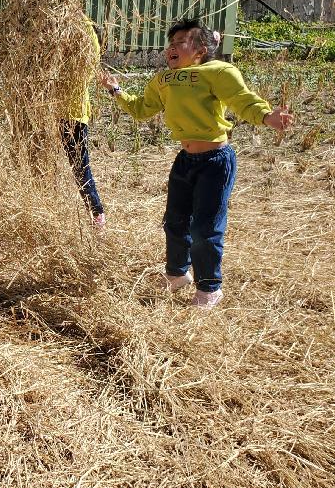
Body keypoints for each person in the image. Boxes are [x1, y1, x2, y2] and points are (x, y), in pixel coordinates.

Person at [100, 18, 293, 309]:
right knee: (174, 223)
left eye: (181, 42)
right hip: (185, 160)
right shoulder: (162, 80)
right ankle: (177, 274)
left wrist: (267, 116)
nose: (172, 48)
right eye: (171, 43)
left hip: (215, 162)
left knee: (205, 228)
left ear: (201, 49)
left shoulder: (217, 71)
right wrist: (116, 91)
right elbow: (141, 109)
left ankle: (210, 288)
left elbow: (242, 100)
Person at [61, 20, 106, 229]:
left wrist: (78, 18)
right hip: (49, 115)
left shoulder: (84, 62)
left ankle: (97, 214)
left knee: (80, 168)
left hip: (73, 117)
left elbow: (88, 41)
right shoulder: (60, 57)